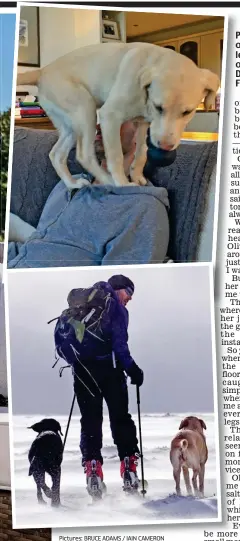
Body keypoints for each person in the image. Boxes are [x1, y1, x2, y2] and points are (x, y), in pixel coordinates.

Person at [8, 122, 176, 268]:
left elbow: (113, 291)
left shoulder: (143, 208)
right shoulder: (68, 184)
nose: (98, 125)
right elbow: (35, 248)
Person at [54, 274, 144, 496]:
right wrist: (133, 369)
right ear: (118, 289)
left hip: (83, 372)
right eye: (129, 293)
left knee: (91, 420)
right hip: (110, 372)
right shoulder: (115, 307)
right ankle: (129, 469)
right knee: (120, 418)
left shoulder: (82, 304)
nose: (130, 299)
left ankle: (93, 471)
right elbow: (120, 345)